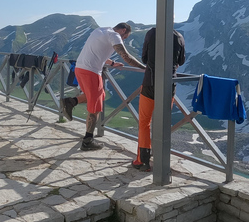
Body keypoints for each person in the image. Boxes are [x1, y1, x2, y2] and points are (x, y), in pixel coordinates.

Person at [61, 23, 145, 151]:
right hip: (91, 72)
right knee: (95, 107)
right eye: (125, 37)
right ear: (123, 31)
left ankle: (72, 101)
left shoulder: (100, 30)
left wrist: (111, 63)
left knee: (99, 96)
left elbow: (97, 51)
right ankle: (88, 140)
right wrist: (145, 68)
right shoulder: (115, 35)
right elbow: (126, 56)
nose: (123, 40)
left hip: (79, 68)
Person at [132, 27, 185, 172]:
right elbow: (182, 60)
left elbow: (144, 58)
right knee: (164, 123)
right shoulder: (179, 36)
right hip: (169, 86)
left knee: (144, 122)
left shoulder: (152, 33)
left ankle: (142, 161)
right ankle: (162, 161)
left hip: (150, 83)